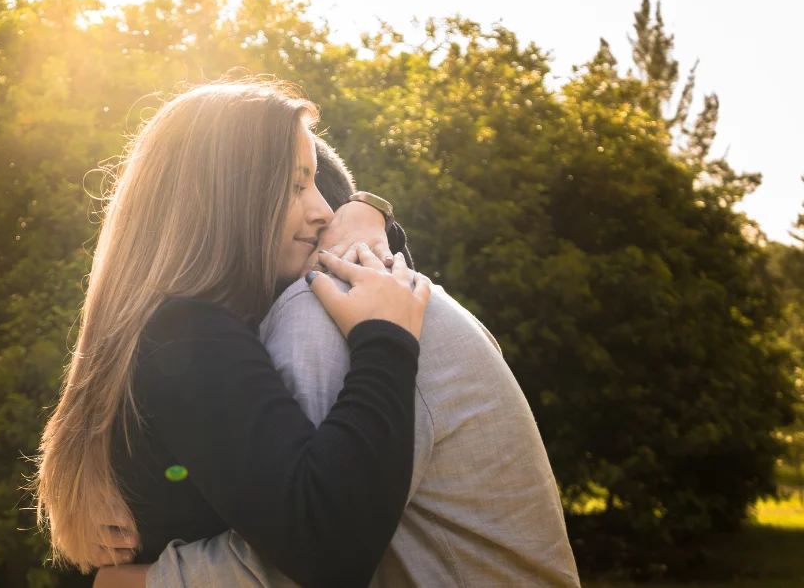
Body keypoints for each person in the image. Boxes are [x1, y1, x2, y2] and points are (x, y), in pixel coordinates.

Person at [94, 141, 581, 587]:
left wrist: (126, 582)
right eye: (294, 187)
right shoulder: (340, 303)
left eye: (315, 189)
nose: (324, 214)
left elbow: (312, 551)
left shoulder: (320, 310)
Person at [33, 79, 432, 588]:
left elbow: (356, 231)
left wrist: (366, 211)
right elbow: (333, 546)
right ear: (225, 196)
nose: (322, 211)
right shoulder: (188, 336)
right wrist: (385, 342)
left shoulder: (170, 329)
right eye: (294, 185)